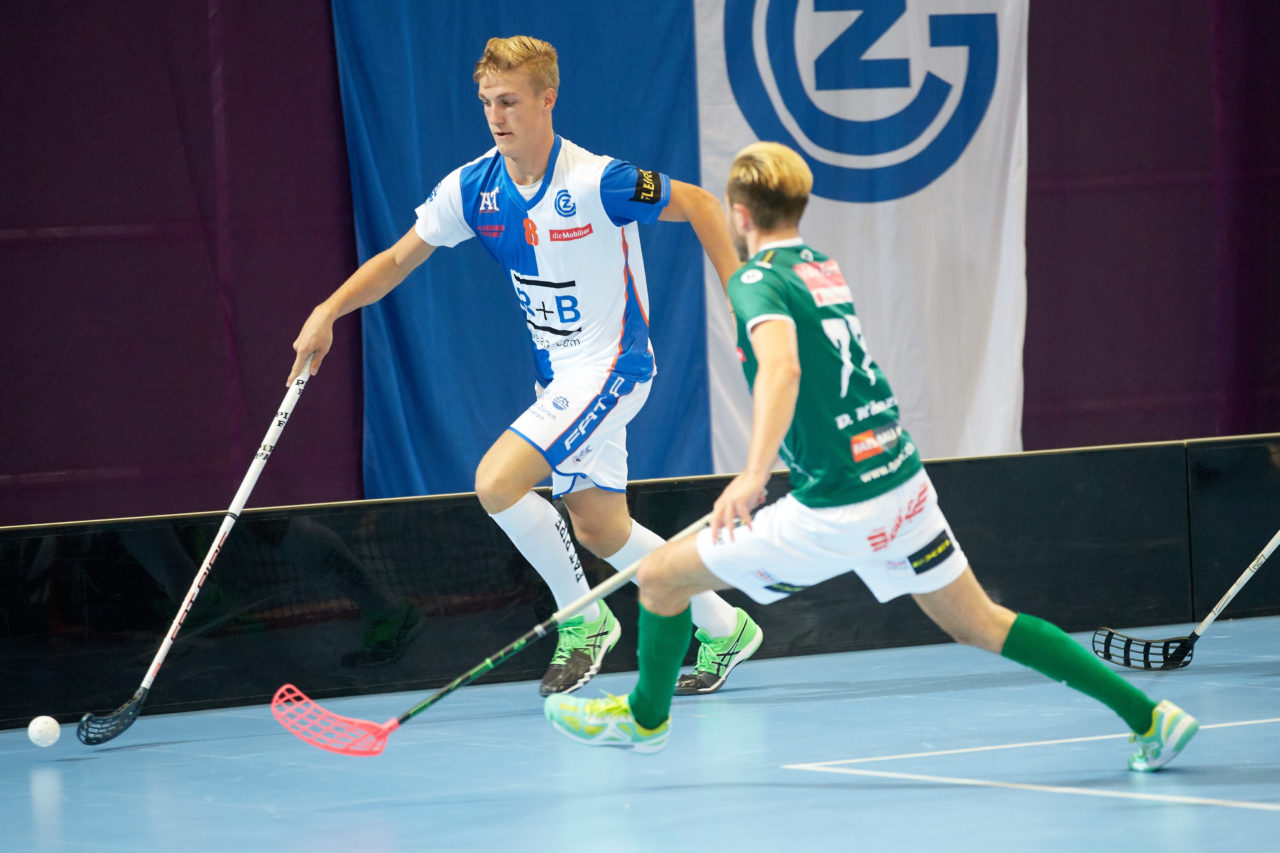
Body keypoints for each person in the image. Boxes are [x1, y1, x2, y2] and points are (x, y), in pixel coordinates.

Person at [545, 141, 1199, 772]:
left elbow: (782, 370)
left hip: (838, 505)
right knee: (982, 622)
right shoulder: (819, 265)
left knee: (660, 577)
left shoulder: (754, 284)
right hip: (901, 484)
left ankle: (645, 717)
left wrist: (751, 474)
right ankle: (1150, 717)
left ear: (740, 216)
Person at [288, 36, 762, 697]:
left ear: (548, 99)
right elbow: (397, 259)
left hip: (615, 367)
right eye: (486, 102)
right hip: (562, 379)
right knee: (602, 527)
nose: (496, 115)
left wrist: (745, 304)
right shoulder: (473, 188)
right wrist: (329, 310)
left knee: (496, 482)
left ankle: (585, 620)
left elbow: (705, 206)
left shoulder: (603, 180)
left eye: (509, 101)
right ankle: (724, 625)